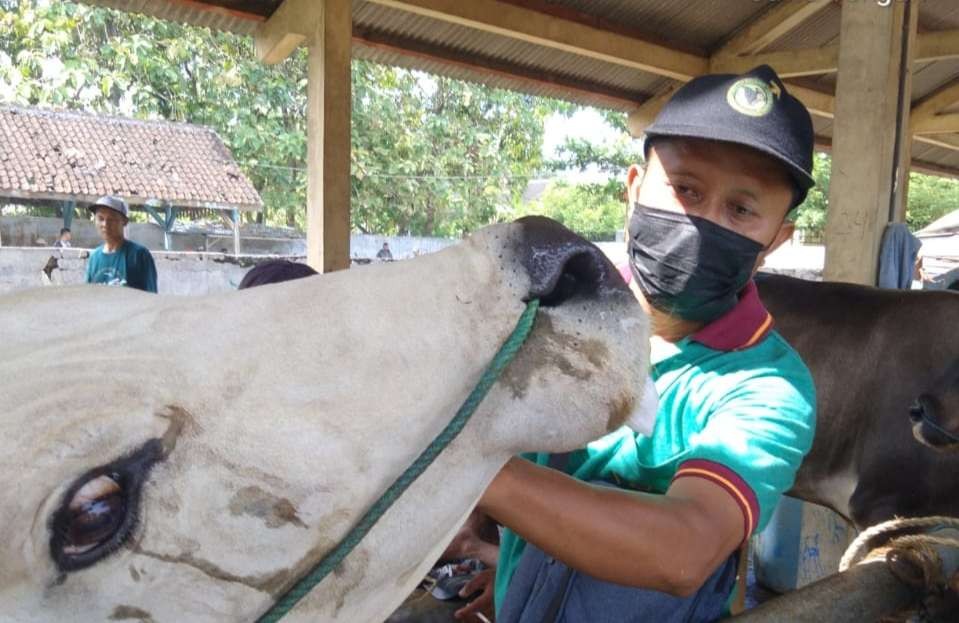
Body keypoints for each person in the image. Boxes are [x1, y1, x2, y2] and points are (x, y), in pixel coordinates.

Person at [457, 65, 817, 623]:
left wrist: (461, 467)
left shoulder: (767, 388)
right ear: (633, 189)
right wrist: (516, 571)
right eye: (685, 189)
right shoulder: (551, 315)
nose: (700, 224)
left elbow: (682, 551)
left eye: (741, 210)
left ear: (776, 239)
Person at [85, 196, 158, 293]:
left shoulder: (139, 255)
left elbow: (151, 298)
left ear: (124, 221)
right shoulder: (94, 258)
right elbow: (88, 297)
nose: (105, 224)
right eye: (100, 218)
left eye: (112, 219)